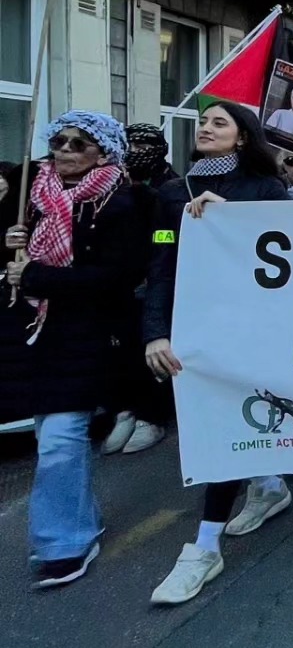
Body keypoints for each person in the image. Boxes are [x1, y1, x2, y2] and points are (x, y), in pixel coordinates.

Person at [145, 102, 293, 606]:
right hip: (196, 330)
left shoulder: (267, 191)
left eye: (218, 122)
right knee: (225, 423)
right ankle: (269, 482)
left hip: (251, 329)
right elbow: (162, 257)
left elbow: (287, 253)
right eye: (202, 121)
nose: (205, 128)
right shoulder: (169, 196)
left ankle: (205, 545)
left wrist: (231, 220)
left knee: (228, 426)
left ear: (243, 138)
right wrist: (155, 333)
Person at [2, 112, 146, 588]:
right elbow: (18, 268)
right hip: (42, 333)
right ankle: (80, 523)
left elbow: (119, 276)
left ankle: (64, 543)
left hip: (92, 335)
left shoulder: (124, 201)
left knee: (62, 439)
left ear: (102, 152)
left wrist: (38, 276)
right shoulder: (37, 196)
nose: (63, 150)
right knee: (52, 437)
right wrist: (13, 245)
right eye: (58, 141)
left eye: (77, 143)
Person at [100, 123, 177, 459]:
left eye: (144, 145)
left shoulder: (171, 186)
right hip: (119, 278)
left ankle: (152, 415)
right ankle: (125, 409)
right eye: (131, 145)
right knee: (120, 349)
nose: (137, 151)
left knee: (152, 347)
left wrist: (155, 257)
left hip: (154, 277)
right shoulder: (112, 181)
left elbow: (166, 235)